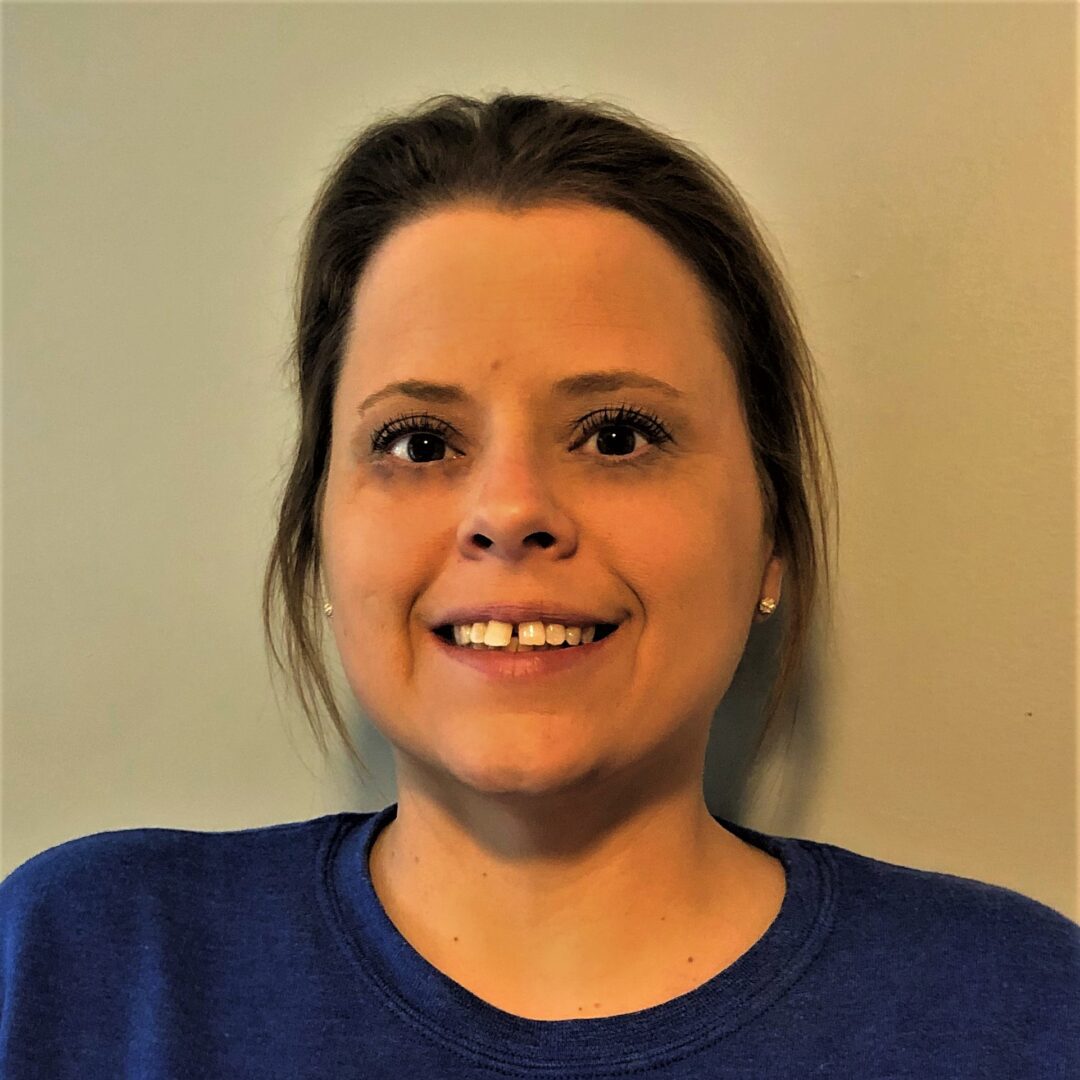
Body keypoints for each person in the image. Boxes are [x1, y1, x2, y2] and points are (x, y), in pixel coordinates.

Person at [1, 91, 1076, 1078]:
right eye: (418, 443)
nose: (509, 510)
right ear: (324, 536)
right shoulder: (87, 966)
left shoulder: (1026, 1013)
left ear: (772, 541)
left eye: (618, 434)